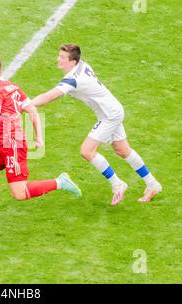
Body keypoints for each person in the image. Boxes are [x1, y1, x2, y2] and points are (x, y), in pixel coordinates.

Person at [0, 53, 81, 232]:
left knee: (19, 193)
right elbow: (32, 111)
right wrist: (39, 137)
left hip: (13, 147)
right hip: (1, 144)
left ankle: (60, 182)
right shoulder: (13, 87)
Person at [32, 44, 162, 205]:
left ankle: (117, 184)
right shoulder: (82, 65)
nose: (58, 59)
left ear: (73, 62)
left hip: (109, 116)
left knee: (87, 151)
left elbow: (48, 97)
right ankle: (152, 184)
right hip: (112, 110)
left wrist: (27, 105)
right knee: (122, 150)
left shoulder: (73, 79)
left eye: (62, 58)